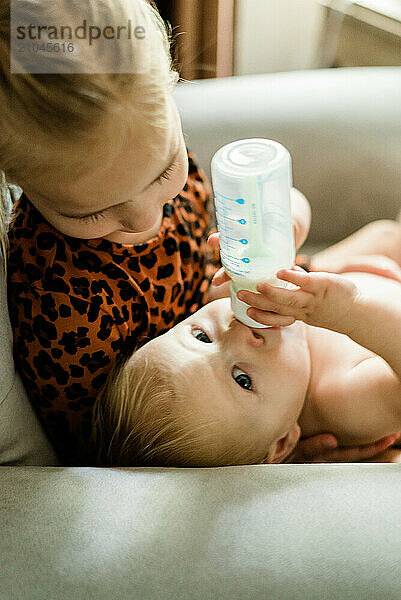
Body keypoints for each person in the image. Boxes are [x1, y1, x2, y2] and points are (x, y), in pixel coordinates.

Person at [0, 0, 395, 466]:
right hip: (339, 336)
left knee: (385, 234)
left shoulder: (132, 141)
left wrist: (284, 220)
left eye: (166, 171)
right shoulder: (64, 307)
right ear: (15, 180)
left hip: (293, 305)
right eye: (93, 214)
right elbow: (141, 448)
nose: (147, 218)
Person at [88, 216, 401, 467]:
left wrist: (278, 225)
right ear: (282, 443)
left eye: (201, 336)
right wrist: (351, 310)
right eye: (242, 380)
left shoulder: (241, 302)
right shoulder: (342, 399)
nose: (237, 333)